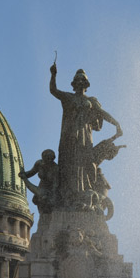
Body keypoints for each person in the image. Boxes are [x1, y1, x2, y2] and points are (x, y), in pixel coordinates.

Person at [49, 63, 122, 200]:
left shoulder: (91, 101)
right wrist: (53, 75)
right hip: (69, 135)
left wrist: (116, 123)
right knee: (69, 161)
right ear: (74, 84)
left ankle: (86, 189)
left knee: (87, 161)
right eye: (78, 80)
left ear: (86, 84)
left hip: (85, 136)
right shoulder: (68, 97)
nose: (80, 82)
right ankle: (69, 193)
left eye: (83, 80)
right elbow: (53, 90)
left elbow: (102, 113)